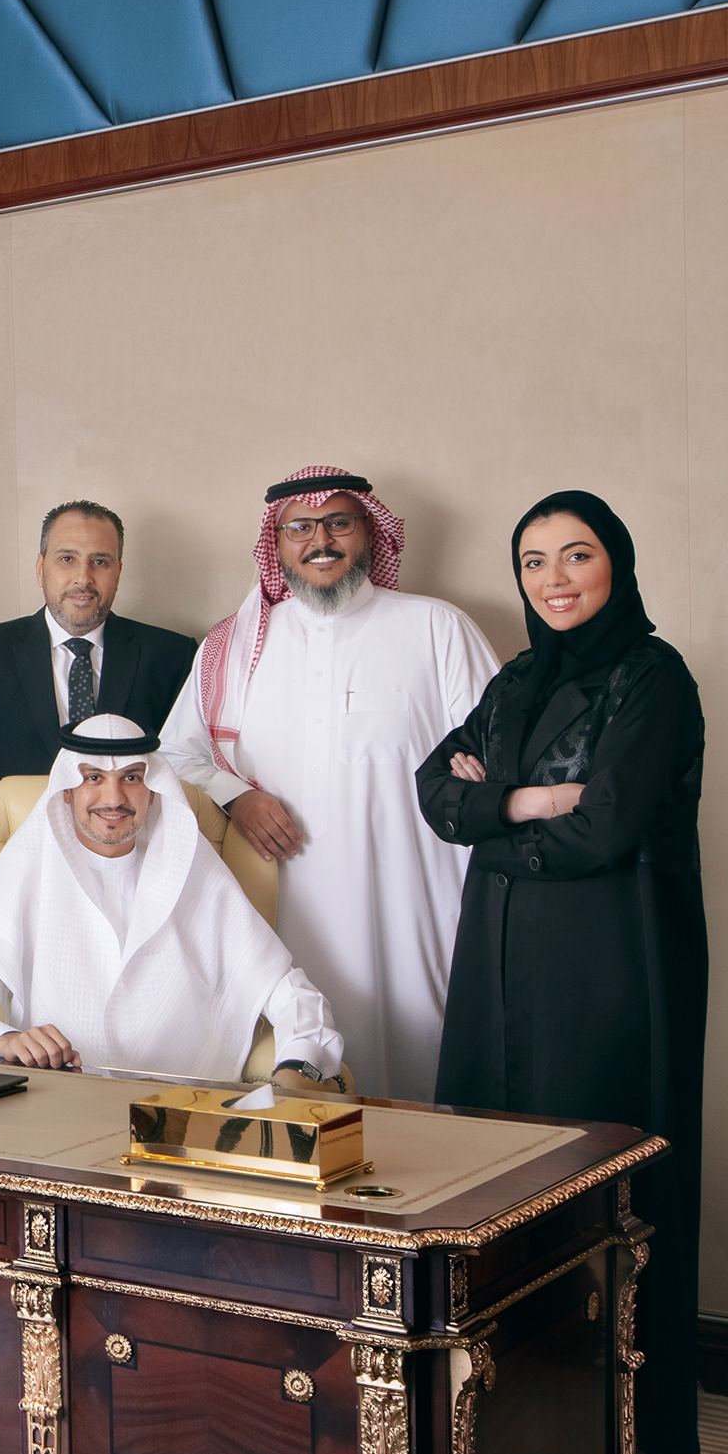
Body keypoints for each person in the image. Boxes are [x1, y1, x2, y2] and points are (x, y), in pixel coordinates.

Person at [418, 490, 708, 1454]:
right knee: (495, 1156)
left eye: (576, 555)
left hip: (611, 956)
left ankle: (614, 1403)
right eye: (534, 561)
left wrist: (489, 812)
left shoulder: (653, 676)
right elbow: (433, 792)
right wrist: (530, 801)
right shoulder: (515, 678)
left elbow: (608, 828)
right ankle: (515, 1383)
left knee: (590, 1162)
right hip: (499, 953)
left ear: (615, 562)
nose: (555, 579)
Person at [155, 465, 493, 1100]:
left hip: (412, 909)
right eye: (300, 528)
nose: (321, 541)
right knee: (301, 1067)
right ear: (275, 543)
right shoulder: (234, 647)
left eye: (339, 523)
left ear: (369, 532)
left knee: (428, 1076)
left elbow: (493, 756)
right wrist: (237, 797)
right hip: (285, 907)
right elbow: (176, 752)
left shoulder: (435, 628)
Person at [0, 716, 341, 1086]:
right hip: (62, 1104)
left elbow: (294, 996)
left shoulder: (191, 867)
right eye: (93, 778)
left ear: (153, 790)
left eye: (132, 778)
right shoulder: (28, 867)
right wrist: (5, 1039)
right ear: (66, 791)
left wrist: (298, 1070)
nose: (114, 798)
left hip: (182, 1106)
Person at [0, 500, 198, 844]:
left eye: (100, 562)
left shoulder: (172, 655)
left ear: (118, 572)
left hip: (135, 853)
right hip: (19, 849)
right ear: (40, 568)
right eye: (67, 559)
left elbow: (189, 763)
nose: (83, 578)